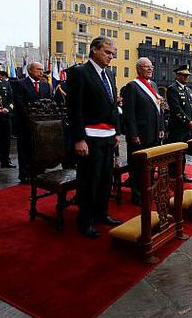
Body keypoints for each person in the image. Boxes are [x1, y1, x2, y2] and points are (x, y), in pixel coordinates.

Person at [67, 36, 123, 239]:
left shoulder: (110, 74)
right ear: (94, 50)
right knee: (90, 181)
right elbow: (74, 109)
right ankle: (85, 221)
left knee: (105, 180)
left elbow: (112, 106)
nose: (111, 56)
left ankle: (101, 214)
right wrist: (79, 138)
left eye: (112, 53)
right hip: (89, 138)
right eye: (107, 52)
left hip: (108, 137)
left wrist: (115, 131)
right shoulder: (79, 72)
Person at [121, 57, 165, 205]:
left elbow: (159, 110)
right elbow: (129, 114)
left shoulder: (153, 85)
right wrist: (133, 134)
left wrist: (161, 129)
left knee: (150, 165)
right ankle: (137, 195)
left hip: (153, 133)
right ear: (139, 68)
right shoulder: (132, 87)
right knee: (137, 167)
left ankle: (149, 191)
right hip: (139, 135)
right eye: (147, 67)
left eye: (151, 67)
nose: (150, 69)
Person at [12, 62, 52, 183]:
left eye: (42, 69)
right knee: (25, 149)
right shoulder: (20, 84)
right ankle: (25, 175)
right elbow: (20, 104)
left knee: (39, 148)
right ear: (30, 71)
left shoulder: (45, 85)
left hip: (41, 125)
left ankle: (39, 172)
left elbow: (49, 102)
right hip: (25, 124)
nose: (41, 72)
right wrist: (32, 117)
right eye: (38, 70)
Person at [165, 64, 192, 182]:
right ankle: (173, 174)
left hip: (187, 128)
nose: (186, 77)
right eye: (184, 75)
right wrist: (188, 121)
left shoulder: (187, 89)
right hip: (178, 127)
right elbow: (176, 108)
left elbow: (191, 107)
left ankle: (181, 173)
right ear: (177, 75)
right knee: (176, 152)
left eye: (187, 75)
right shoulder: (172, 89)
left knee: (183, 153)